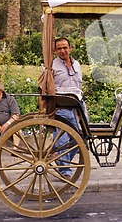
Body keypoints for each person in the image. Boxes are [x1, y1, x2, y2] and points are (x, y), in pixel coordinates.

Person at [52, 37, 83, 179]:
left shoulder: (77, 64)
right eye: (59, 48)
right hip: (61, 107)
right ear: (55, 50)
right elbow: (46, 87)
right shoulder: (52, 66)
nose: (62, 51)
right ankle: (65, 171)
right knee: (62, 140)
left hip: (77, 107)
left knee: (79, 139)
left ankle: (62, 163)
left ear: (70, 48)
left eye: (65, 48)